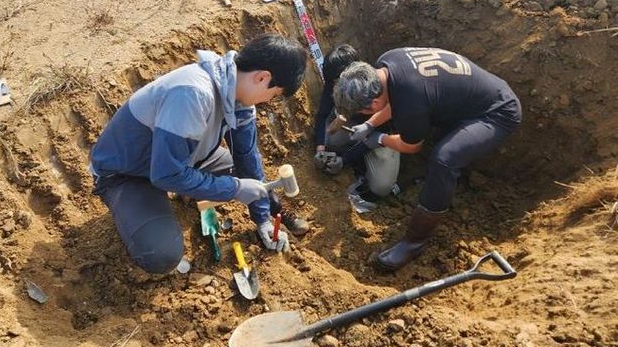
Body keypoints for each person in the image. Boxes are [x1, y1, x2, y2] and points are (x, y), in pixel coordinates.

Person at [89, 33, 310, 274]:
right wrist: (235, 188)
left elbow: (247, 158)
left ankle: (272, 209)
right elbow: (167, 175)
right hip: (129, 173)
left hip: (185, 157)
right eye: (274, 94)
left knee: (249, 176)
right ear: (262, 77)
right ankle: (145, 208)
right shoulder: (193, 94)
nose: (268, 100)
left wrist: (262, 218)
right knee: (161, 254)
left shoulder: (239, 96)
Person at [334, 47, 521, 271]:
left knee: (444, 160)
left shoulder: (410, 103)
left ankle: (414, 242)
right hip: (476, 97)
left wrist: (379, 138)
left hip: (497, 112)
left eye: (365, 112)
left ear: (372, 104)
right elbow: (396, 98)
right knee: (439, 140)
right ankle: (445, 180)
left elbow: (411, 145)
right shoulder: (388, 62)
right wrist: (370, 123)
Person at [313, 44, 400, 200]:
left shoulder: (375, 89)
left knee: (381, 187)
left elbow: (375, 137)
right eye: (334, 83)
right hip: (358, 128)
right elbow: (323, 115)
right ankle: (357, 165)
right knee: (330, 141)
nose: (336, 87)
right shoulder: (335, 80)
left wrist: (345, 160)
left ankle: (366, 172)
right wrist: (320, 148)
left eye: (338, 82)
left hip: (381, 136)